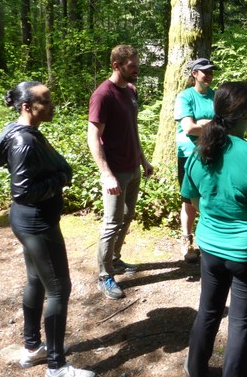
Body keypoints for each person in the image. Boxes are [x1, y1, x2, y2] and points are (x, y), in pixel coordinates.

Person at [0, 82, 95, 377]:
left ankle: (33, 348)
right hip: (36, 222)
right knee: (59, 289)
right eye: (45, 101)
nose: (52, 105)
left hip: (28, 221)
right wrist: (61, 178)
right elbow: (23, 191)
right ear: (27, 107)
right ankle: (57, 367)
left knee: (36, 281)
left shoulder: (18, 132)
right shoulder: (25, 141)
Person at [181, 82, 247, 377]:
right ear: (246, 115)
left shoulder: (201, 152)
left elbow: (194, 200)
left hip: (211, 247)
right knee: (240, 321)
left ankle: (195, 370)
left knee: (208, 312)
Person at [88, 44, 154, 300]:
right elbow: (93, 137)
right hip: (114, 171)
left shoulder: (132, 91)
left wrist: (143, 160)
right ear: (117, 65)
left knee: (127, 216)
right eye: (132, 66)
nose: (137, 70)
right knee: (111, 223)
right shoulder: (103, 95)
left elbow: (132, 129)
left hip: (132, 168)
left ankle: (115, 259)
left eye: (138, 65)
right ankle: (104, 275)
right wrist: (106, 174)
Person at [174, 58, 218, 263]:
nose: (209, 75)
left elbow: (225, 123)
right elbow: (189, 128)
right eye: (204, 72)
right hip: (189, 155)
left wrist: (202, 123)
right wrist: (212, 124)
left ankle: (209, 240)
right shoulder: (185, 97)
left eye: (211, 72)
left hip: (212, 151)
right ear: (194, 74)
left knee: (211, 194)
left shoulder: (216, 96)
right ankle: (187, 240)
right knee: (189, 200)